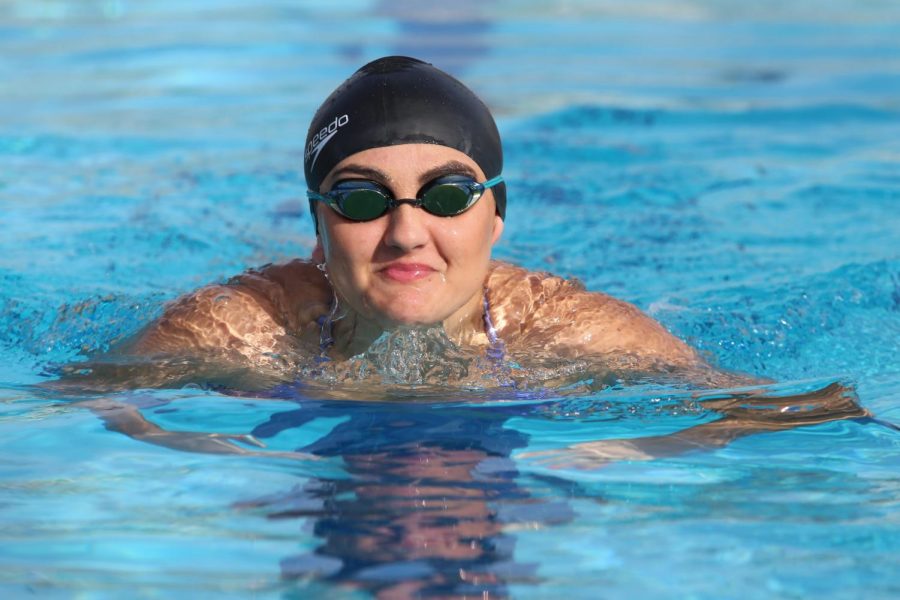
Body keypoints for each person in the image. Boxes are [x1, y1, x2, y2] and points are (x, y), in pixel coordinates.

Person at [115, 55, 702, 390]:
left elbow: (758, 418)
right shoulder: (242, 327)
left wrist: (621, 454)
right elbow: (71, 409)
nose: (405, 233)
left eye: (446, 196)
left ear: (495, 218)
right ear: (319, 230)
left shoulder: (574, 331)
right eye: (362, 200)